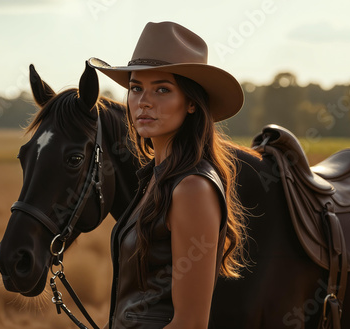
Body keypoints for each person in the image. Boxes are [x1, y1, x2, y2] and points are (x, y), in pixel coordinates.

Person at [88, 21, 247, 329]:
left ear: (190, 103)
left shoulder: (192, 189)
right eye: (136, 88)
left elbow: (190, 324)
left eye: (162, 89)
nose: (143, 101)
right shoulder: (155, 178)